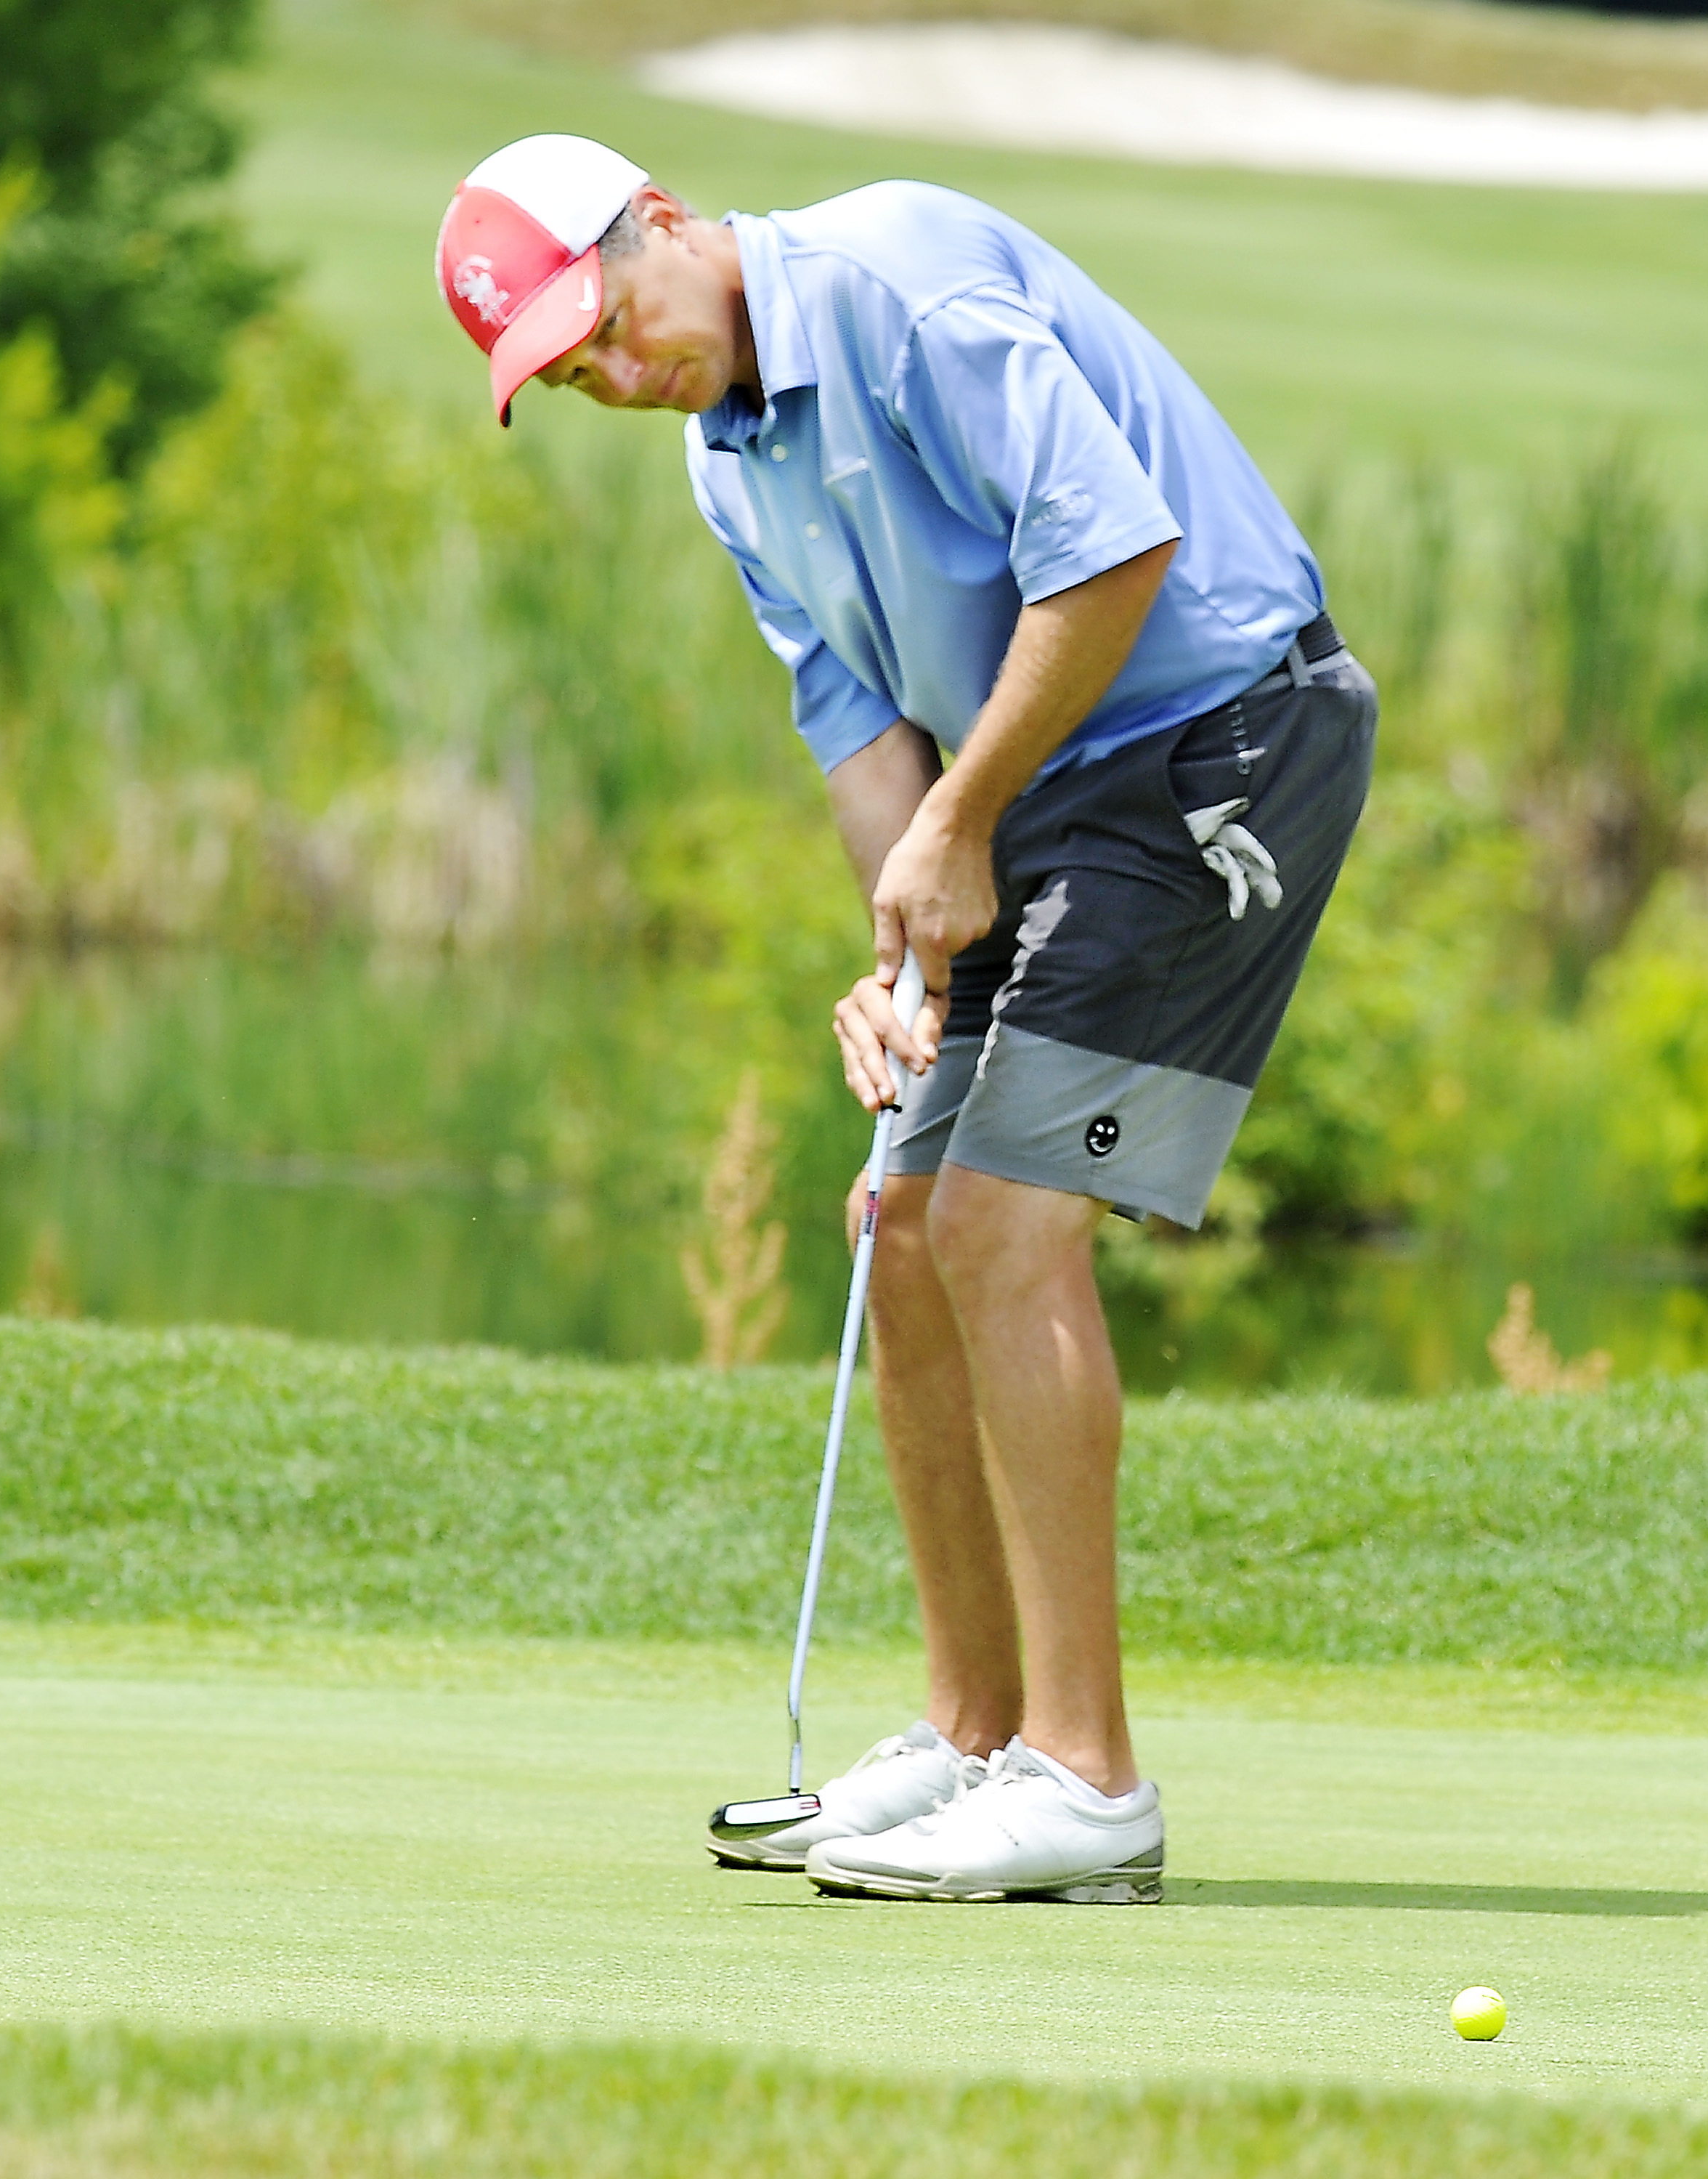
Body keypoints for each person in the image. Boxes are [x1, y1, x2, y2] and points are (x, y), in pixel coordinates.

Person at [436, 133, 1375, 1904]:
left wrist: (960, 832)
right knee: (904, 1220)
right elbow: (868, 742)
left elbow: (1114, 556)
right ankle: (974, 1739)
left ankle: (1087, 1787)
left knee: (1012, 1223)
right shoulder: (729, 468)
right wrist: (903, 969)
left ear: (660, 224)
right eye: (572, 378)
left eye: (609, 327)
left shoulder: (896, 283)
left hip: (1218, 738)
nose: (618, 378)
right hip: (1053, 789)